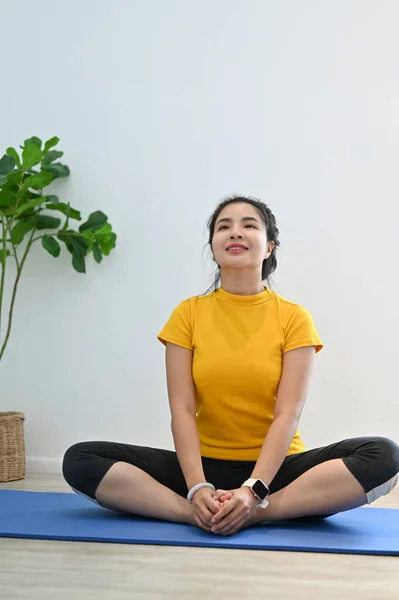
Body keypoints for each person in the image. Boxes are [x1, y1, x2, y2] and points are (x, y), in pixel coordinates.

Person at [63, 195, 399, 536]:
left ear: (268, 247)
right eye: (224, 226)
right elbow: (181, 409)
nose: (235, 232)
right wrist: (196, 489)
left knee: (384, 455)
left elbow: (287, 414)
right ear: (213, 247)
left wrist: (255, 492)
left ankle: (256, 513)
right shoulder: (188, 314)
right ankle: (193, 513)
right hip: (202, 469)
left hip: (276, 473)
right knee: (80, 459)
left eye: (248, 225)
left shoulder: (294, 318)